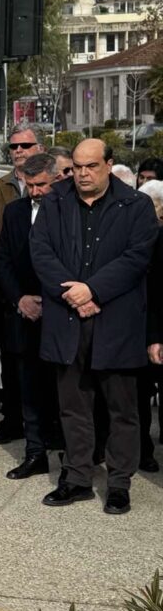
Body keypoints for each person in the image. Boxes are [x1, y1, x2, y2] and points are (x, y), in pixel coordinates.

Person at [31, 139, 157, 515]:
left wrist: (93, 289)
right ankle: (77, 478)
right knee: (73, 405)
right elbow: (40, 251)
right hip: (67, 320)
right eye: (78, 166)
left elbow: (137, 258)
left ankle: (119, 483)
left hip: (116, 321)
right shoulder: (55, 202)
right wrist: (73, 294)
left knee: (122, 409)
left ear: (109, 164)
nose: (83, 174)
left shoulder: (135, 206)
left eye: (91, 166)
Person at [0, 153, 62, 481]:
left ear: (56, 180)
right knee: (28, 388)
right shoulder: (14, 212)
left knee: (63, 389)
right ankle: (35, 453)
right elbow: (2, 260)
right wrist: (20, 299)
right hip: (23, 315)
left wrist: (51, 301)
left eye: (41, 185)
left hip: (61, 316)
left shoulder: (70, 211)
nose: (34, 192)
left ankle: (70, 458)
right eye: (29, 185)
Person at [0, 123, 43, 445]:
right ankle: (12, 419)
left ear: (40, 149)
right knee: (11, 358)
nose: (18, 151)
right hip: (5, 291)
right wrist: (13, 292)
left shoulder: (56, 187)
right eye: (13, 147)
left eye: (25, 145)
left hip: (45, 293)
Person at [141, 178, 163, 472]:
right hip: (150, 330)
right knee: (139, 395)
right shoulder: (157, 240)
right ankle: (143, 449)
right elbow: (155, 289)